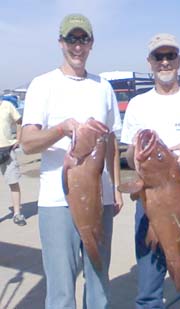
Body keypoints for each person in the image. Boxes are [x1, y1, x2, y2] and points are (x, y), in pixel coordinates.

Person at [20, 13, 123, 308]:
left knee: (99, 281)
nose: (77, 46)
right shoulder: (42, 85)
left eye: (84, 39)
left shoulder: (103, 87)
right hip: (57, 202)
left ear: (92, 44)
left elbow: (112, 140)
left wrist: (115, 186)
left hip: (99, 199)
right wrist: (62, 129)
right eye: (71, 39)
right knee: (61, 289)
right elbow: (27, 143)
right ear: (61, 43)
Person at [121, 33, 180, 308]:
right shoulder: (139, 103)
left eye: (170, 56)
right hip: (150, 196)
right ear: (149, 62)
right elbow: (127, 154)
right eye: (158, 57)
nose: (165, 62)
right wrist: (136, 154)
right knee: (149, 282)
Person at [0, 96, 26, 226]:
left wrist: (19, 139)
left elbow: (19, 121)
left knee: (13, 181)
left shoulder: (7, 105)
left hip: (7, 150)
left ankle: (17, 214)